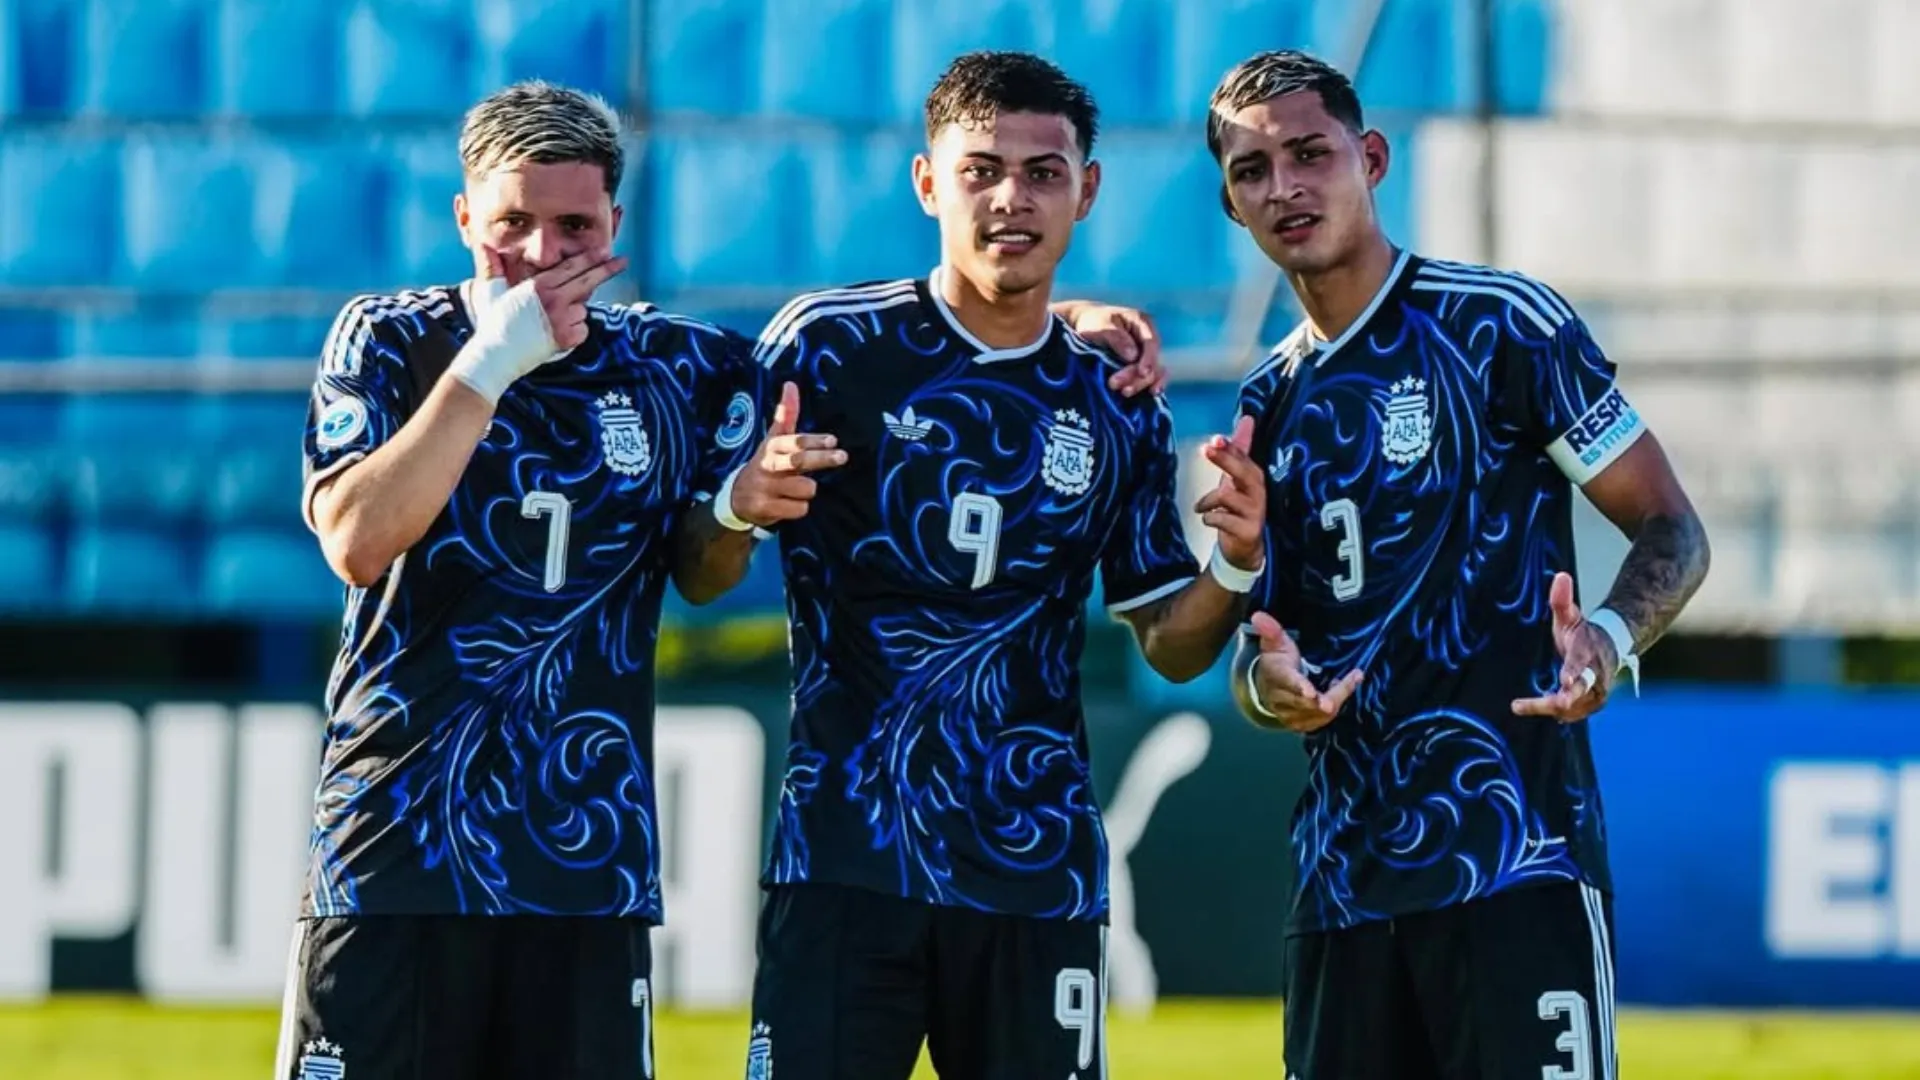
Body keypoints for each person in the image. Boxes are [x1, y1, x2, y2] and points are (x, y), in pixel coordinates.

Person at [277, 78, 1170, 1080]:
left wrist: (1062, 315)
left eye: (573, 228)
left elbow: (720, 552)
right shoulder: (390, 338)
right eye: (510, 226)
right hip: (390, 852)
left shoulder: (679, 367)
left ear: (616, 223)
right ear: (462, 218)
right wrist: (490, 362)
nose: (540, 259)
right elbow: (356, 539)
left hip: (587, 870)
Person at [677, 51, 1271, 1080]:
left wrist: (1238, 565)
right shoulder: (824, 349)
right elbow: (698, 570)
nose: (1012, 198)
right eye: (981, 169)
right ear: (926, 182)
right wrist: (736, 505)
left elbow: (1172, 645)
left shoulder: (1115, 398)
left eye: (1045, 174)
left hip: (1035, 872)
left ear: (1087, 190)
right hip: (846, 860)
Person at [1209, 50, 1712, 1080]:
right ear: (1231, 202)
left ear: (1373, 158)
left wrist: (1606, 641)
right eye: (1253, 172)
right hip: (1342, 886)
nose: (1286, 188)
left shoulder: (1502, 326)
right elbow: (1264, 657)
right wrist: (1269, 688)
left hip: (1519, 863)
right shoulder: (1266, 400)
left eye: (1311, 154)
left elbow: (1673, 531)